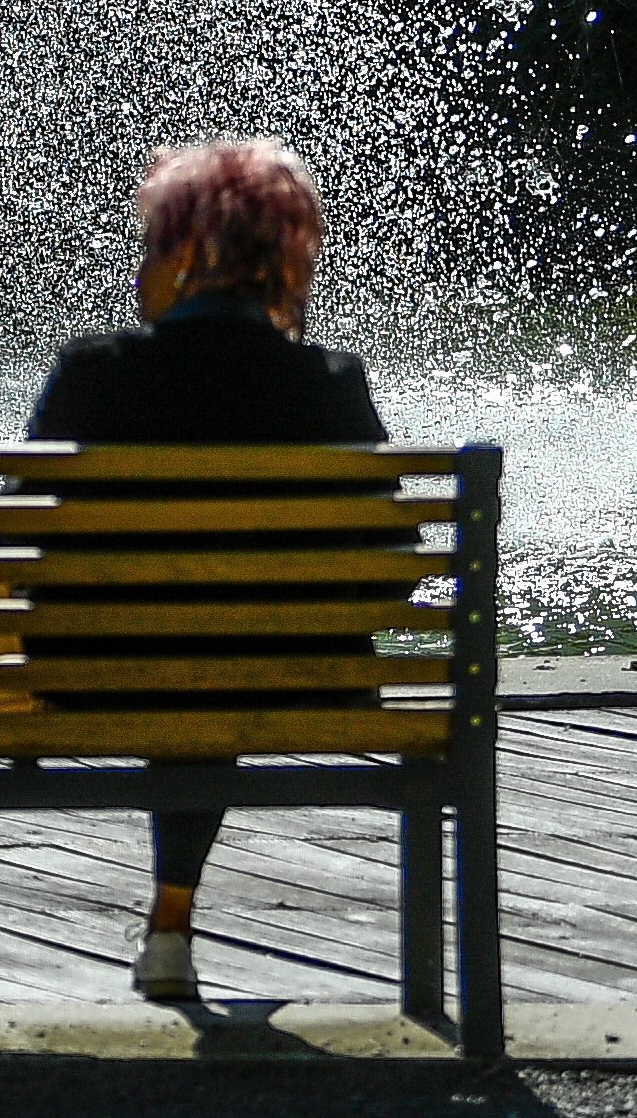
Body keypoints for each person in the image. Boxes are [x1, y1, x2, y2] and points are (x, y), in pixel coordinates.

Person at [24, 136, 384, 1004]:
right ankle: (171, 919)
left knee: (187, 664)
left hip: (95, 679)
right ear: (287, 258)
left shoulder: (94, 374)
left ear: (174, 253)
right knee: (219, 667)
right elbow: (386, 572)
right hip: (299, 682)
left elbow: (24, 546)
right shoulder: (329, 385)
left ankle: (170, 923)